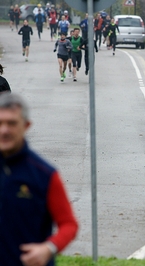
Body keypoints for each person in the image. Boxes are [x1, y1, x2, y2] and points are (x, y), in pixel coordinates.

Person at [0, 93, 78, 266]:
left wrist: (48, 248)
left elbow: (69, 224)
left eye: (11, 123)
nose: (4, 130)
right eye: (0, 123)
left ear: (26, 126)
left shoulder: (44, 174)